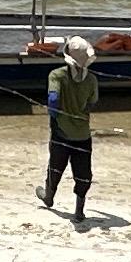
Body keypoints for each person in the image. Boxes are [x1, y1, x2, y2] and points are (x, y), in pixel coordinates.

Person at [35, 36, 99, 220]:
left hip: (60, 131)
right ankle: (79, 210)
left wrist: (55, 115)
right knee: (82, 172)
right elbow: (91, 103)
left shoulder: (56, 75)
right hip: (82, 134)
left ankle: (48, 196)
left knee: (55, 166)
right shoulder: (92, 80)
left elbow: (53, 100)